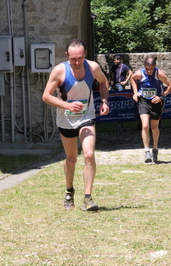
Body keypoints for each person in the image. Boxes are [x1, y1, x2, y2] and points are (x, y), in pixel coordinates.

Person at [42, 38, 110, 211]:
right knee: (71, 159)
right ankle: (69, 191)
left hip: (87, 116)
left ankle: (88, 198)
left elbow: (103, 81)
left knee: (88, 154)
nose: (77, 62)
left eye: (80, 57)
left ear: (85, 54)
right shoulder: (59, 71)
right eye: (73, 59)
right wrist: (67, 105)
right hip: (66, 119)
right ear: (67, 56)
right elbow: (46, 96)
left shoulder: (93, 67)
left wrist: (104, 101)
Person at [131, 57, 171, 163]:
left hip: (156, 102)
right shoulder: (140, 73)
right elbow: (132, 78)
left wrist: (161, 97)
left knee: (154, 128)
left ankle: (155, 148)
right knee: (145, 125)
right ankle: (146, 151)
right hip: (143, 101)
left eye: (151, 69)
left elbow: (170, 85)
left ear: (154, 67)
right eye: (147, 68)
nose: (149, 71)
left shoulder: (159, 74)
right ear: (144, 66)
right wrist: (135, 92)